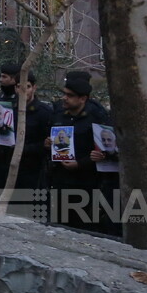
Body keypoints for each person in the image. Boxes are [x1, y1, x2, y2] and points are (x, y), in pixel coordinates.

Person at [46, 75, 108, 233]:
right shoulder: (59, 114)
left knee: (84, 229)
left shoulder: (97, 118)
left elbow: (104, 151)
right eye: (64, 94)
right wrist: (48, 144)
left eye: (70, 95)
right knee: (58, 226)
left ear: (83, 99)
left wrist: (81, 163)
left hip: (86, 184)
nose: (64, 98)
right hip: (59, 180)